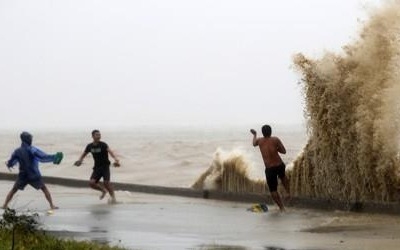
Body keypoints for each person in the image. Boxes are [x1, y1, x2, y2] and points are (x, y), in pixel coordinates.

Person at [2, 131, 63, 209]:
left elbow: (11, 162)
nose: (31, 140)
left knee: (14, 190)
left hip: (23, 175)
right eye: (30, 138)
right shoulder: (32, 149)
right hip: (33, 174)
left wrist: (8, 164)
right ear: (27, 139)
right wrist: (54, 157)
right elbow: (43, 156)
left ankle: (5, 205)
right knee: (44, 188)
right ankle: (51, 205)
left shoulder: (17, 151)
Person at [250, 125, 290, 211]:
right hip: (279, 165)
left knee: (273, 190)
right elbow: (284, 151)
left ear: (263, 133)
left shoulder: (260, 141)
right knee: (283, 177)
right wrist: (276, 149)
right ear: (271, 131)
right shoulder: (275, 139)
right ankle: (288, 193)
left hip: (269, 169)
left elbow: (253, 144)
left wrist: (254, 134)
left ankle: (282, 208)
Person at [74, 129, 120, 203]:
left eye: (99, 135)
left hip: (105, 167)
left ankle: (113, 198)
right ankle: (103, 191)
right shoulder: (89, 146)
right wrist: (80, 160)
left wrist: (116, 159)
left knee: (106, 183)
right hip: (97, 168)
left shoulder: (103, 144)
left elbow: (110, 152)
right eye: (97, 135)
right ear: (92, 136)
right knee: (91, 183)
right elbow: (84, 154)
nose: (99, 136)